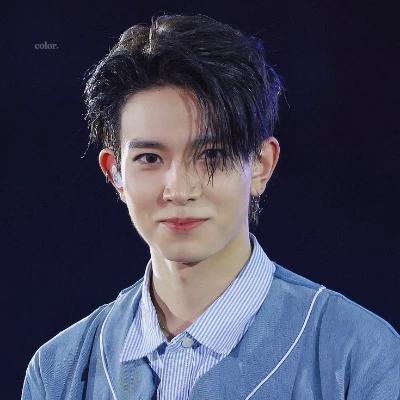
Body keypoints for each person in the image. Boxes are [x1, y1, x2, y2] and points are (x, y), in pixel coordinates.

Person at [22, 14, 399, 400]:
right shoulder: (58, 372)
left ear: (261, 165)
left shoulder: (359, 357)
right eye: (150, 158)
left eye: (212, 154)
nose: (179, 190)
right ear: (115, 173)